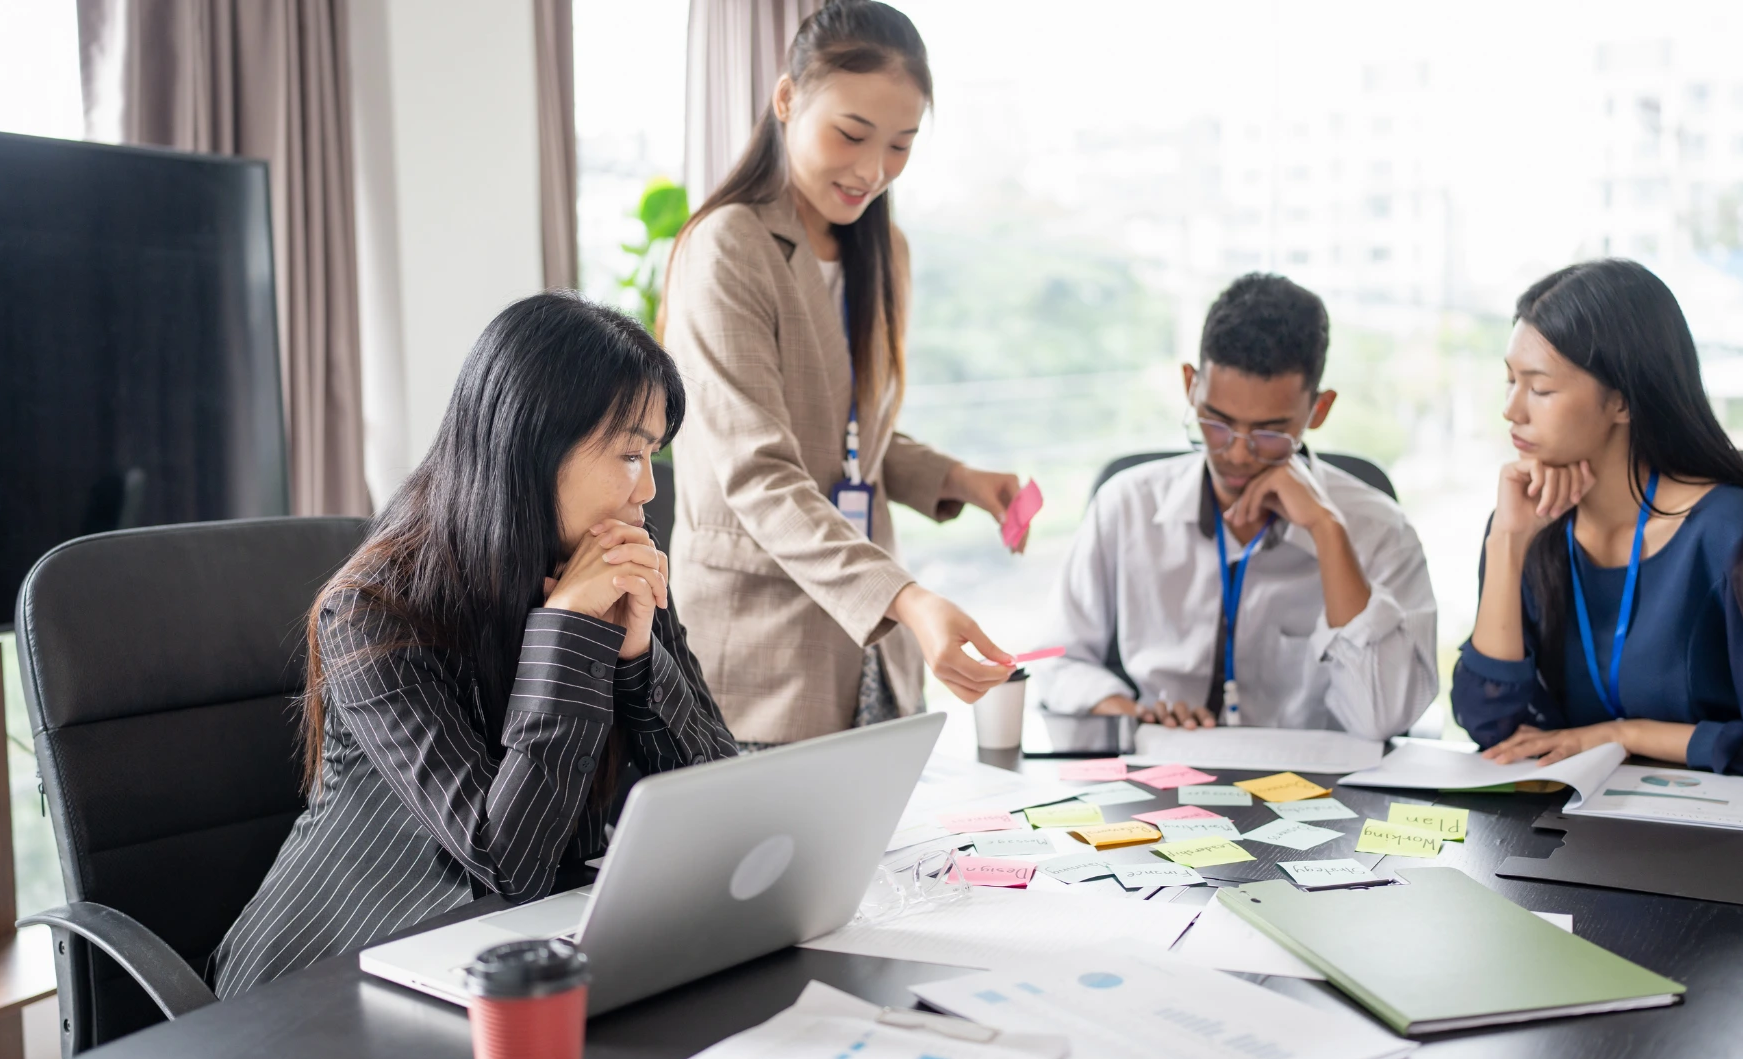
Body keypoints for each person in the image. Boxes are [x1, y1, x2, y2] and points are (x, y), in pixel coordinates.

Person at [209, 294, 737, 996]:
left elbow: (721, 798)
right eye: (629, 454)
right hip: (331, 979)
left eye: (653, 454)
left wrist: (639, 661)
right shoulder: (372, 611)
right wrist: (570, 633)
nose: (648, 487)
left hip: (508, 956)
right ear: (533, 447)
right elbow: (509, 859)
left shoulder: (613, 563)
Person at [661, 0, 1024, 747]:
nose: (872, 170)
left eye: (900, 145)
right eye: (852, 134)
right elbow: (759, 472)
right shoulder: (728, 248)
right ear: (788, 98)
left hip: (865, 653)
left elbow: (846, 431)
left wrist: (955, 479)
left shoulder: (884, 253)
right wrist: (910, 599)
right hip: (756, 653)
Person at [1454, 259, 1743, 789]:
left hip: (1712, 841)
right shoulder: (1526, 522)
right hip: (1573, 828)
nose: (1511, 409)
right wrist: (1507, 541)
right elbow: (1491, 727)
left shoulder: (1726, 531)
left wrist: (1628, 734)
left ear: (1622, 401)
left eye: (1539, 388)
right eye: (1509, 381)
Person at [1039, 273, 1438, 740]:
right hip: (1164, 779)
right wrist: (1129, 710)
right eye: (1216, 423)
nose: (1238, 454)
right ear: (1191, 386)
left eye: (1270, 433)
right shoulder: (1126, 506)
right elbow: (1057, 659)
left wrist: (1327, 531)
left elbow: (1382, 719)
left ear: (1318, 411)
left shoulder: (1381, 530)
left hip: (1319, 795)